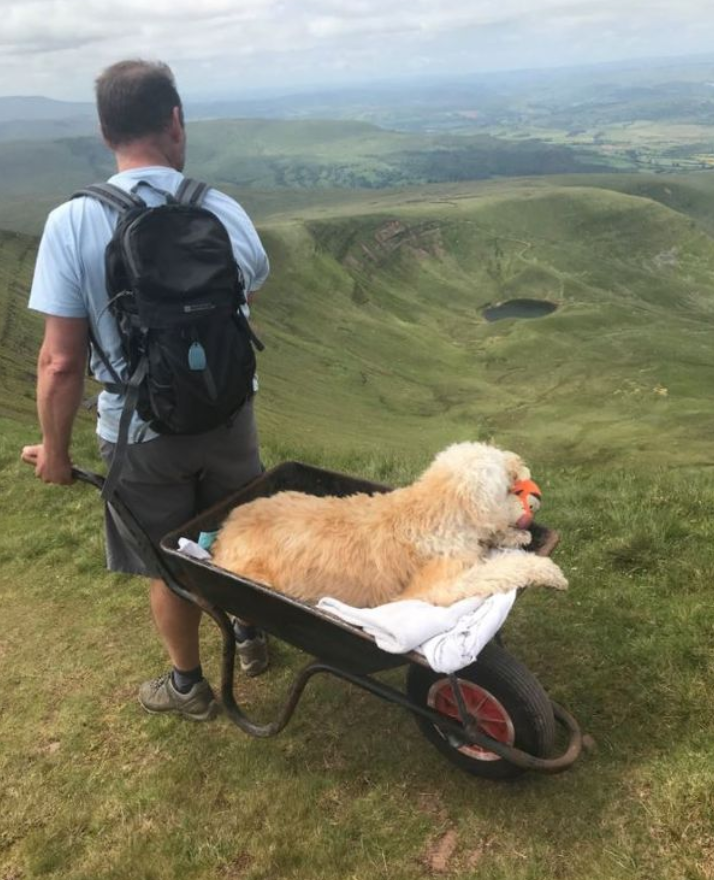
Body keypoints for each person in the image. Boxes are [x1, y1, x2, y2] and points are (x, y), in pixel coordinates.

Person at [21, 59, 270, 721]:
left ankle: (189, 686)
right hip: (227, 413)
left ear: (106, 134)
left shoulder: (71, 223)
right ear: (176, 122)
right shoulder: (220, 209)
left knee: (169, 561)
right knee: (240, 530)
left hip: (139, 434)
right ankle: (249, 630)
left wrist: (53, 450)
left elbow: (60, 362)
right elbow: (245, 294)